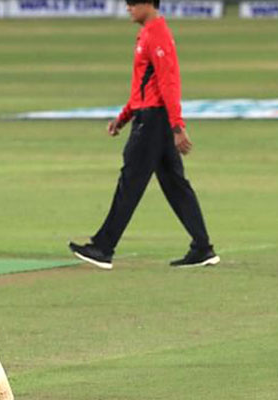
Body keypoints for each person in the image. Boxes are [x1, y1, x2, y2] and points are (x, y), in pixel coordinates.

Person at [69, 0, 219, 270]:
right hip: (152, 118)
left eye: (132, 3)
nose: (128, 7)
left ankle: (103, 247)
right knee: (175, 184)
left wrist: (177, 126)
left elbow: (168, 82)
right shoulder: (148, 34)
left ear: (149, 3)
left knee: (131, 182)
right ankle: (202, 247)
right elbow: (143, 88)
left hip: (153, 122)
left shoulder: (157, 35)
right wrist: (123, 117)